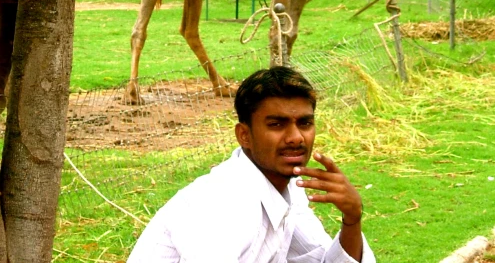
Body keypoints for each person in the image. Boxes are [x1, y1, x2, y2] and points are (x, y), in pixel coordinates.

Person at [127, 67, 374, 263]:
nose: (296, 137)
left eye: (305, 123)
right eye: (277, 124)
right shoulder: (219, 205)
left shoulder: (289, 189)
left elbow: (320, 260)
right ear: (244, 135)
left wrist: (352, 218)